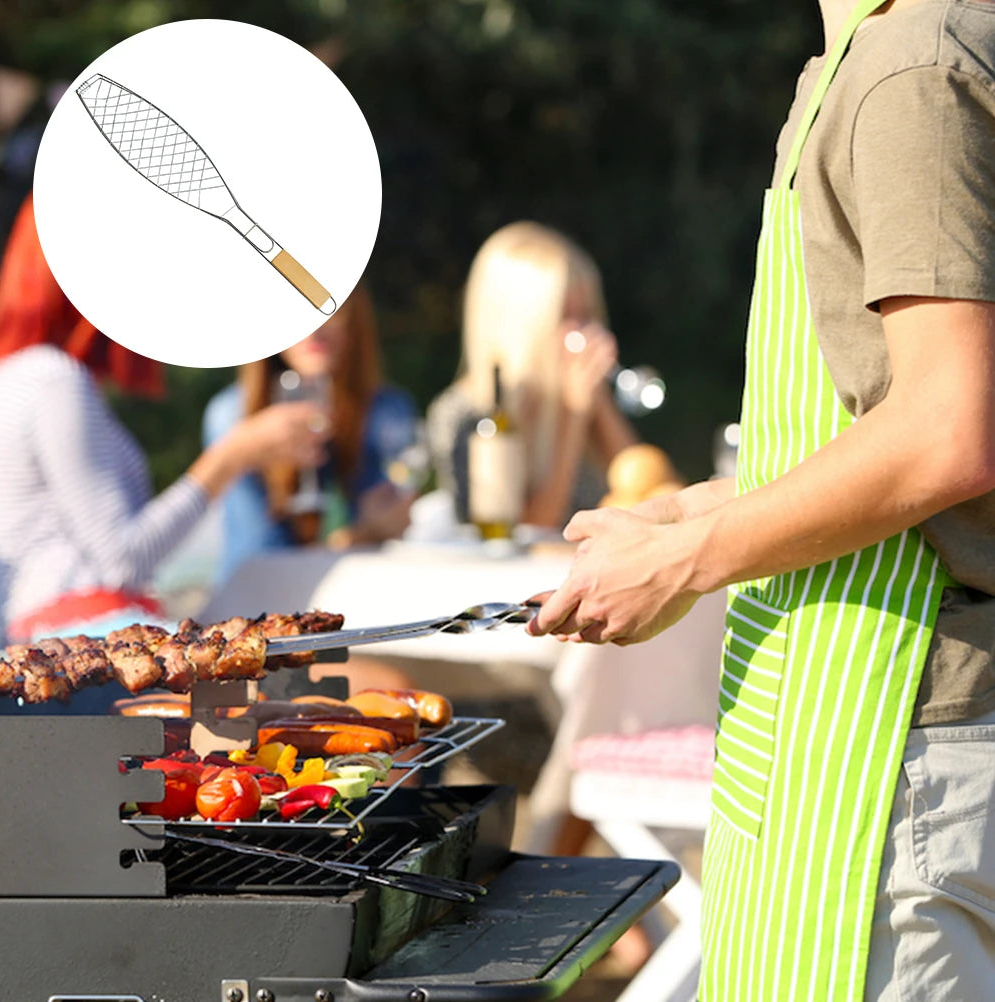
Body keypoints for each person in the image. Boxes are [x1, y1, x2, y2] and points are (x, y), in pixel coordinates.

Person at [530, 2, 995, 1000]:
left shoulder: (914, 66)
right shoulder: (857, 63)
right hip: (838, 707)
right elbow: (864, 425)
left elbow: (948, 430)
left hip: (897, 736)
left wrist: (682, 563)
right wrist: (692, 512)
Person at [0, 194, 328, 710]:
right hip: (81, 643)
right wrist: (232, 454)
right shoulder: (55, 382)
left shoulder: (18, 378)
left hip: (60, 642)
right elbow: (122, 559)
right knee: (350, 696)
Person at [427, 221, 638, 530]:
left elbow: (650, 490)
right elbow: (525, 532)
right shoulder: (467, 416)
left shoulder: (585, 396)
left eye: (586, 315)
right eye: (564, 316)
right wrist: (574, 416)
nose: (580, 333)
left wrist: (599, 405)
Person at [203, 282, 417, 584]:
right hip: (260, 604)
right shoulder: (234, 417)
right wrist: (357, 537)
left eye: (326, 306)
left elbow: (397, 522)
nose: (312, 329)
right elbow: (258, 556)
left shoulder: (386, 412)